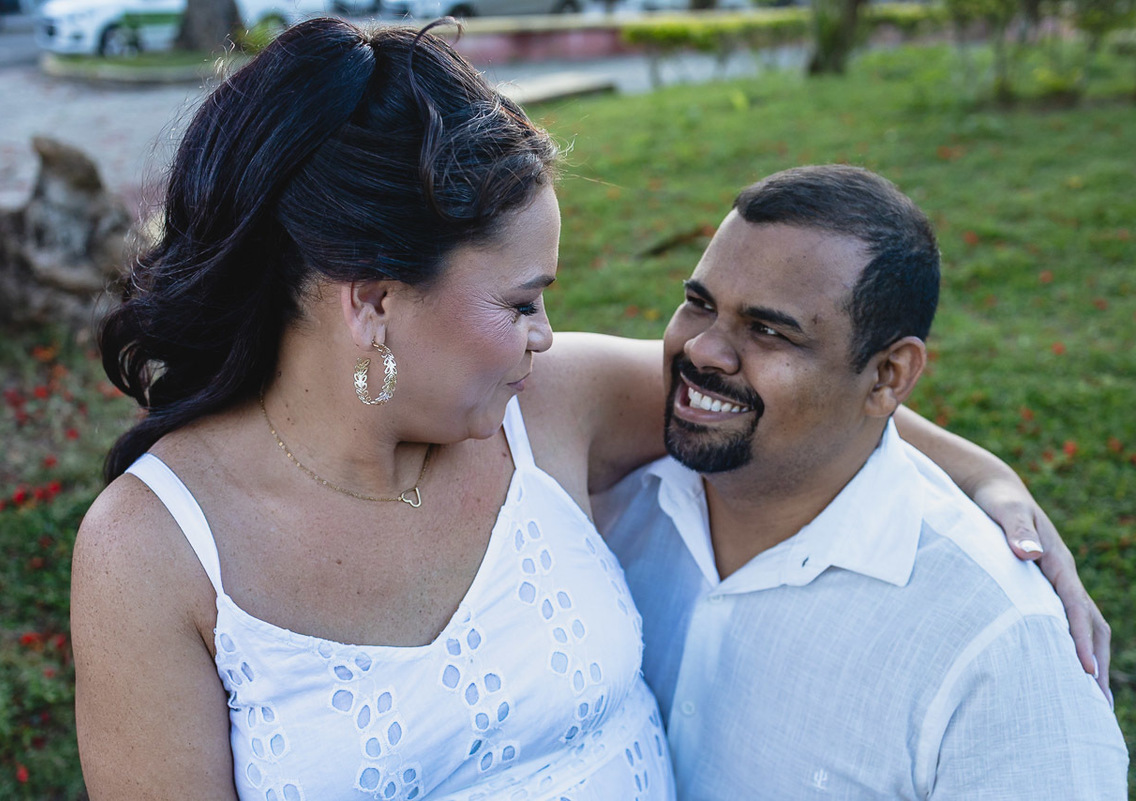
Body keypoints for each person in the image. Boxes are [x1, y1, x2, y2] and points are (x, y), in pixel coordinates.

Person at [71, 18, 1105, 800]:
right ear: (374, 299)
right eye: (521, 302)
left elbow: (780, 393)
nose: (545, 336)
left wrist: (987, 476)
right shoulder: (155, 550)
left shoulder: (550, 406)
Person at [597, 165, 1128, 799]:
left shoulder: (1000, 648)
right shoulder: (610, 504)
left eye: (768, 329)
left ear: (887, 377)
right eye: (699, 303)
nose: (704, 350)